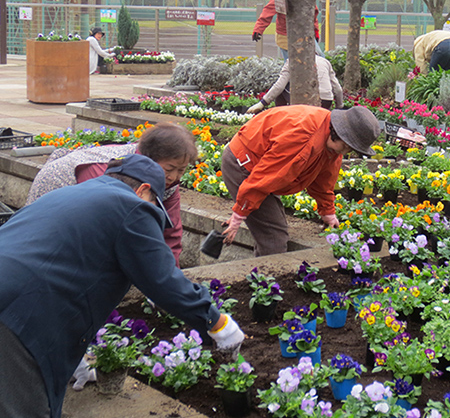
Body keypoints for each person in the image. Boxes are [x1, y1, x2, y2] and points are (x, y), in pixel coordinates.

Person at [0, 154, 244, 418]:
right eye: (155, 203)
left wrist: (71, 358)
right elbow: (162, 280)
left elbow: (53, 264)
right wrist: (217, 323)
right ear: (144, 190)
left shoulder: (69, 195)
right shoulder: (132, 206)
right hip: (16, 318)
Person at [25, 122, 197, 267]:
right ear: (149, 158)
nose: (174, 176)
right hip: (59, 191)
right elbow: (100, 226)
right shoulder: (112, 172)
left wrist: (170, 273)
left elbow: (171, 232)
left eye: (181, 170)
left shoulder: (170, 183)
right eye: (169, 169)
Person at [221, 105, 380, 256]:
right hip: (243, 165)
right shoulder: (302, 137)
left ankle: (261, 278)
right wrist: (238, 216)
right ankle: (265, 282)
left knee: (271, 227)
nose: (347, 152)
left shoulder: (330, 140)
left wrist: (327, 211)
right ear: (340, 135)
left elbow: (324, 179)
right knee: (274, 236)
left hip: (261, 169)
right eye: (348, 147)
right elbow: (267, 176)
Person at [246, 54, 343, 112]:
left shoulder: (292, 60)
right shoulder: (325, 62)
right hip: (326, 101)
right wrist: (339, 109)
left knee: (283, 88)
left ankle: (283, 118)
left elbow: (280, 86)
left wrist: (262, 103)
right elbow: (337, 89)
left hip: (305, 101)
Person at [252, 0, 321, 59]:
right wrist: (258, 29)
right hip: (286, 35)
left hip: (305, 34)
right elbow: (268, 11)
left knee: (319, 57)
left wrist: (315, 31)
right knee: (289, 63)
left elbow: (312, 15)